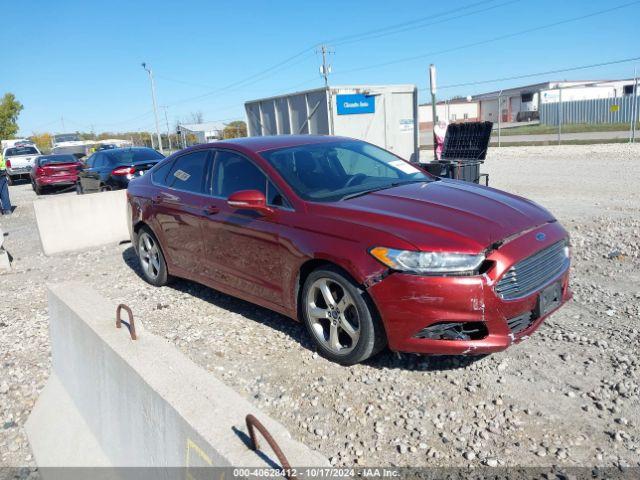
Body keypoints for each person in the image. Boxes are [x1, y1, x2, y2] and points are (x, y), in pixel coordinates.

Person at [0, 151, 12, 215]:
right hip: (3, 176)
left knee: (4, 193)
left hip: (2, 175)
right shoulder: (1, 155)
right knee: (4, 194)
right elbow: (4, 168)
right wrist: (8, 177)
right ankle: (7, 210)